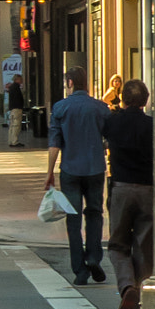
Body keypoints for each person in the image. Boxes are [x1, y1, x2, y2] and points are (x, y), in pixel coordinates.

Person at [46, 66, 112, 286]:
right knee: (94, 214)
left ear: (71, 82)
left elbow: (55, 144)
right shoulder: (101, 108)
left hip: (70, 170)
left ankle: (79, 270)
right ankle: (93, 257)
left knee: (73, 219)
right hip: (95, 168)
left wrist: (49, 173)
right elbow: (110, 138)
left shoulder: (60, 108)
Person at [103, 78, 153, 309]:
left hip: (121, 188)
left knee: (118, 245)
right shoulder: (152, 125)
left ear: (122, 98)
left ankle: (126, 286)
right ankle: (141, 307)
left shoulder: (113, 122)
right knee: (144, 248)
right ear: (145, 100)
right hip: (148, 190)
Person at [6, 74, 27, 148]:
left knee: (12, 125)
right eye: (21, 79)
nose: (22, 81)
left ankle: (11, 141)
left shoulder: (12, 87)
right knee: (16, 125)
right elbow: (18, 99)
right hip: (16, 109)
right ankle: (15, 141)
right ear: (17, 79)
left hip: (12, 109)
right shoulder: (16, 88)